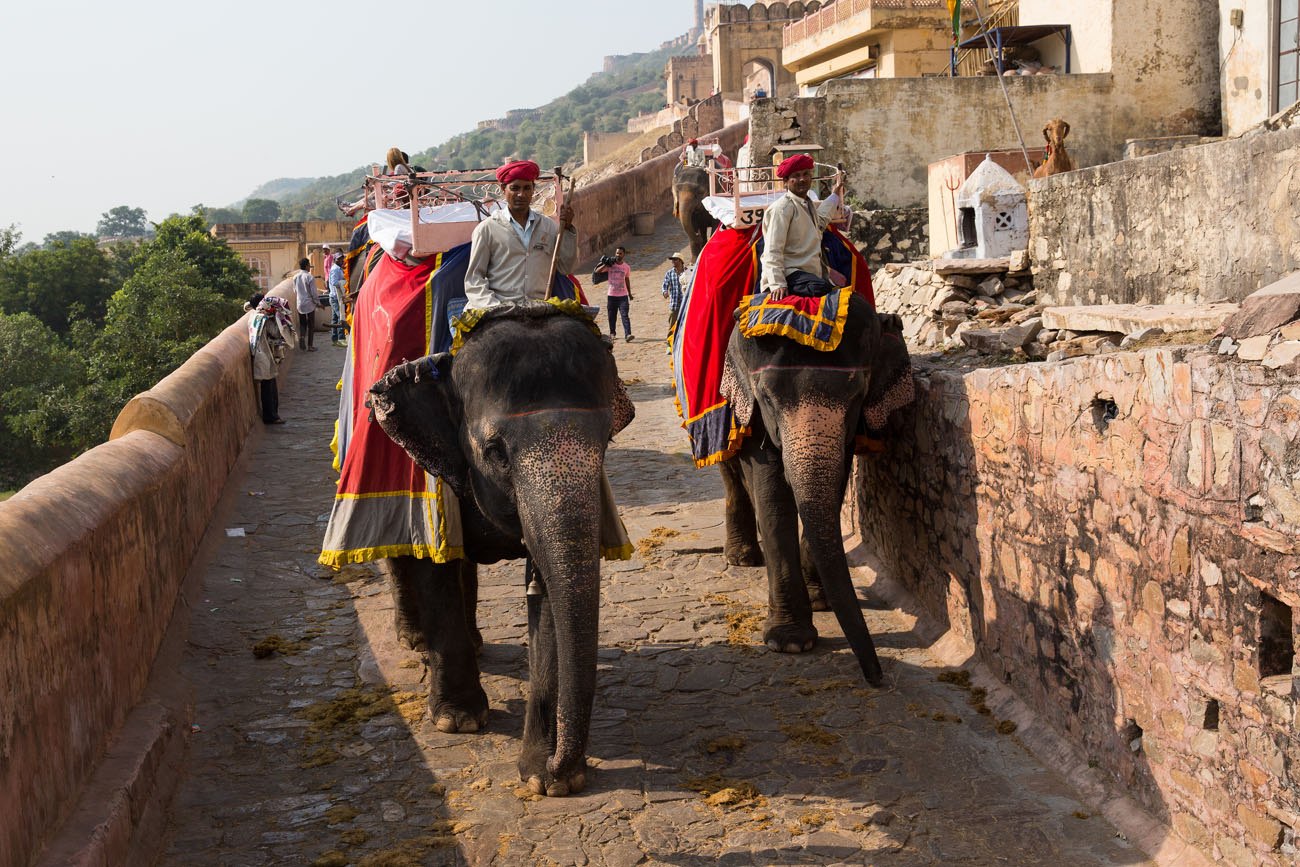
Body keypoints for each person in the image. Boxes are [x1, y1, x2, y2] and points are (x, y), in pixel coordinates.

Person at [464, 159, 577, 310]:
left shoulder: (549, 227)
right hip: (499, 308)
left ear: (533, 190)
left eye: (526, 188)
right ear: (503, 189)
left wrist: (568, 228)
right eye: (515, 188)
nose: (521, 194)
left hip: (539, 308)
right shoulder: (486, 229)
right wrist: (494, 307)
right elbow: (474, 280)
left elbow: (566, 268)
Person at [760, 153, 844, 302]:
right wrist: (777, 284)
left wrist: (834, 196)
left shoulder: (806, 204)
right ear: (786, 181)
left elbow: (821, 221)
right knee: (821, 289)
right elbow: (773, 250)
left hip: (809, 273)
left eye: (806, 174)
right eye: (796, 176)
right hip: (790, 273)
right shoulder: (782, 208)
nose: (802, 179)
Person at [245, 293, 295, 424]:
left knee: (268, 385)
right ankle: (271, 416)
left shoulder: (253, 316)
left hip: (261, 355)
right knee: (268, 387)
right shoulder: (262, 318)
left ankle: (272, 415)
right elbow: (276, 332)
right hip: (264, 356)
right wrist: (276, 319)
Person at [595, 246, 634, 341]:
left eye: (620, 253)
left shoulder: (626, 267)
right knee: (611, 316)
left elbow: (627, 279)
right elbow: (597, 271)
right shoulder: (610, 265)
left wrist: (630, 293)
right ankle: (612, 333)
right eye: (617, 253)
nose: (618, 255)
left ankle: (628, 334)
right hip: (611, 295)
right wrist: (606, 264)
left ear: (624, 254)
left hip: (623, 296)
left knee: (625, 315)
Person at [292, 257, 320, 350]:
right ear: (307, 266)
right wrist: (318, 302)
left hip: (300, 303)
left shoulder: (295, 277)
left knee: (303, 323)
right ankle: (310, 346)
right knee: (311, 324)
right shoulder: (309, 277)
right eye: (309, 266)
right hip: (309, 303)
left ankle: (302, 337)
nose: (310, 268)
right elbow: (314, 293)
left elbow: (295, 290)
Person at [661, 254, 685, 353]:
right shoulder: (669, 273)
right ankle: (669, 345)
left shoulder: (687, 272)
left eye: (675, 260)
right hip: (674, 304)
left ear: (680, 261)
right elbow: (665, 285)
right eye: (672, 260)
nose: (673, 262)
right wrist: (665, 291)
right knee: (672, 325)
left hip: (685, 303)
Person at [327, 254, 347, 347]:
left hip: (334, 297)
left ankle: (334, 339)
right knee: (340, 318)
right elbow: (334, 282)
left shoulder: (338, 268)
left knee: (334, 319)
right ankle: (341, 339)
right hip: (336, 297)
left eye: (342, 259)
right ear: (335, 260)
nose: (341, 260)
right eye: (339, 259)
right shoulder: (335, 269)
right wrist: (344, 282)